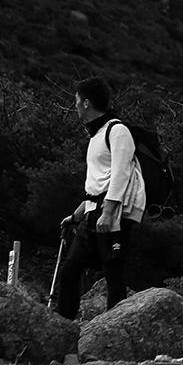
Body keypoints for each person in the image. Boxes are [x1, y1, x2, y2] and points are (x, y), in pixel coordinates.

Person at [53, 77, 147, 319]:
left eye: (76, 101)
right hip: (93, 213)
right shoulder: (96, 134)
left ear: (86, 103)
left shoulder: (118, 131)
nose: (75, 105)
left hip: (113, 213)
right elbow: (96, 184)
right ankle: (64, 328)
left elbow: (121, 174)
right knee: (69, 271)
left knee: (113, 272)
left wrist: (107, 213)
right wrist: (76, 215)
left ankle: (114, 329)